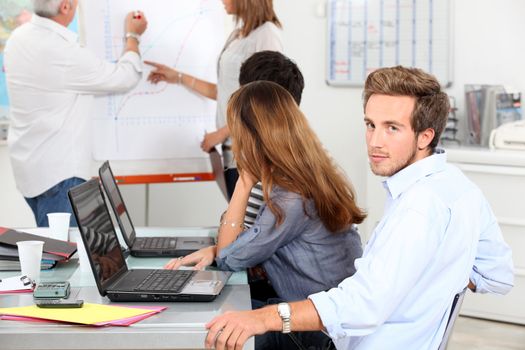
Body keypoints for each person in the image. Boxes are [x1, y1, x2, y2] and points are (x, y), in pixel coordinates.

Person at [203, 66, 515, 350]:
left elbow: (363, 306)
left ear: (425, 136)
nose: (375, 141)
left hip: (355, 343)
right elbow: (497, 274)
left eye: (392, 128)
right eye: (370, 124)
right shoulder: (457, 186)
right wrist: (435, 268)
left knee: (220, 327)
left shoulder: (418, 209)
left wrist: (267, 318)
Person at [166, 81, 366, 349]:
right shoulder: (308, 175)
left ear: (253, 137)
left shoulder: (290, 199)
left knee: (207, 330)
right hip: (320, 320)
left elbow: (229, 259)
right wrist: (216, 249)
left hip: (318, 335)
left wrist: (244, 182)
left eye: (236, 136)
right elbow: (243, 246)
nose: (234, 144)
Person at [4, 0, 148, 227]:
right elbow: (125, 76)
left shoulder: (17, 39)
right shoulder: (62, 51)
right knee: (64, 255)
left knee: (52, 248)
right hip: (59, 174)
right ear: (64, 7)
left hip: (29, 169)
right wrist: (133, 36)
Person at [145, 0, 283, 199]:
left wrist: (221, 133)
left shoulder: (267, 34)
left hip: (250, 155)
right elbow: (225, 91)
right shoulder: (238, 34)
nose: (222, 1)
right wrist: (178, 77)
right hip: (231, 152)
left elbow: (266, 99)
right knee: (236, 222)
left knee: (244, 224)